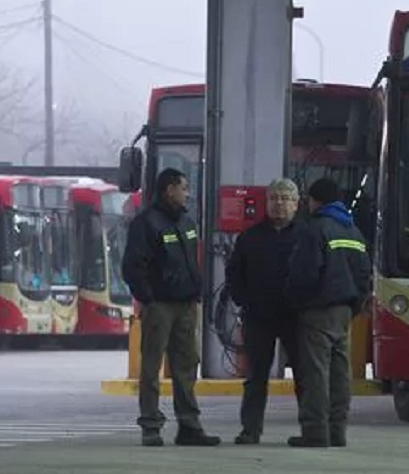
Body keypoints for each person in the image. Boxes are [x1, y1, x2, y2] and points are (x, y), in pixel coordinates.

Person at [121, 168, 221, 447]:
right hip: (160, 307)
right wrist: (149, 299)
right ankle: (151, 426)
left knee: (186, 367)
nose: (187, 193)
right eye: (183, 187)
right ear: (169, 189)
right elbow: (132, 267)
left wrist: (195, 292)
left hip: (186, 306)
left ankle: (189, 426)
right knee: (151, 369)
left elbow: (191, 263)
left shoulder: (186, 222)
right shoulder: (146, 223)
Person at [285, 177, 372, 448]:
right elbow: (364, 275)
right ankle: (337, 431)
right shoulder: (353, 231)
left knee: (316, 373)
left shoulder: (314, 229)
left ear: (314, 201)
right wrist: (353, 306)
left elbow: (304, 273)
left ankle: (315, 432)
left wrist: (294, 301)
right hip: (344, 312)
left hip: (317, 311)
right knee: (339, 373)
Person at [225, 178, 304, 445]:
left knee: (305, 376)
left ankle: (312, 428)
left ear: (296, 204)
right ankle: (250, 430)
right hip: (258, 318)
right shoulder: (250, 237)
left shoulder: (307, 235)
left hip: (296, 317)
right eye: (274, 198)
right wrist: (244, 301)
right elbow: (234, 274)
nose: (279, 204)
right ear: (266, 203)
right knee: (256, 377)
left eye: (285, 198)